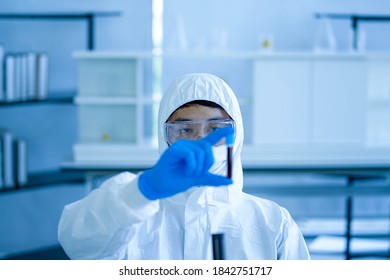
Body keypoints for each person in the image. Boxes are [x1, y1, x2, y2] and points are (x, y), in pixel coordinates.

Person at [58, 73, 310, 260]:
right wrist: (143, 189)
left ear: (238, 134)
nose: (200, 141)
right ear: (164, 135)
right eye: (186, 129)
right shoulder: (131, 217)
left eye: (215, 129)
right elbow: (78, 243)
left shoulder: (272, 223)